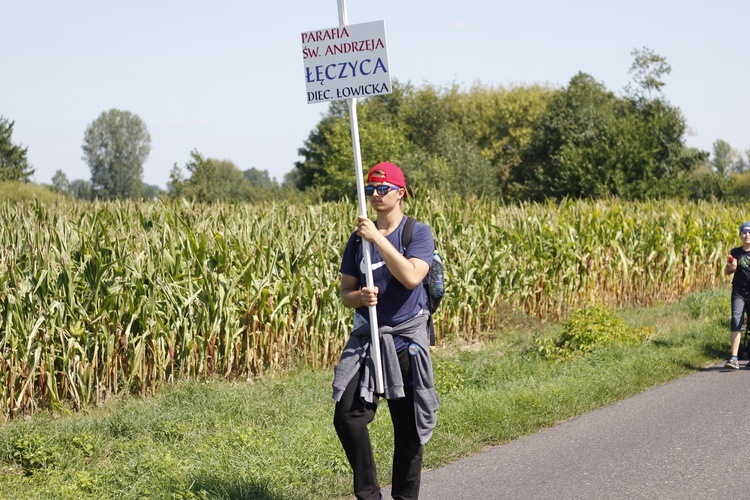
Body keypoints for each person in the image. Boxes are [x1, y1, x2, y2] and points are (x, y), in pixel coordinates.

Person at [332, 161, 440, 500]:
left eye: (382, 189)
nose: (375, 195)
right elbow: (345, 294)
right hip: (368, 339)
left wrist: (377, 237)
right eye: (369, 190)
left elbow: (411, 277)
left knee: (407, 430)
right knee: (347, 416)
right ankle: (369, 495)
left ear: (400, 193)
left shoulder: (416, 233)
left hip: (406, 339)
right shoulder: (357, 241)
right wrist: (359, 296)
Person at [724, 221, 750, 369]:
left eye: (749, 232)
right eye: (744, 232)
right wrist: (731, 267)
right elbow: (727, 272)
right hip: (739, 291)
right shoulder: (735, 252)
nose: (747, 235)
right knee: (736, 319)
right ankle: (734, 358)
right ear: (740, 235)